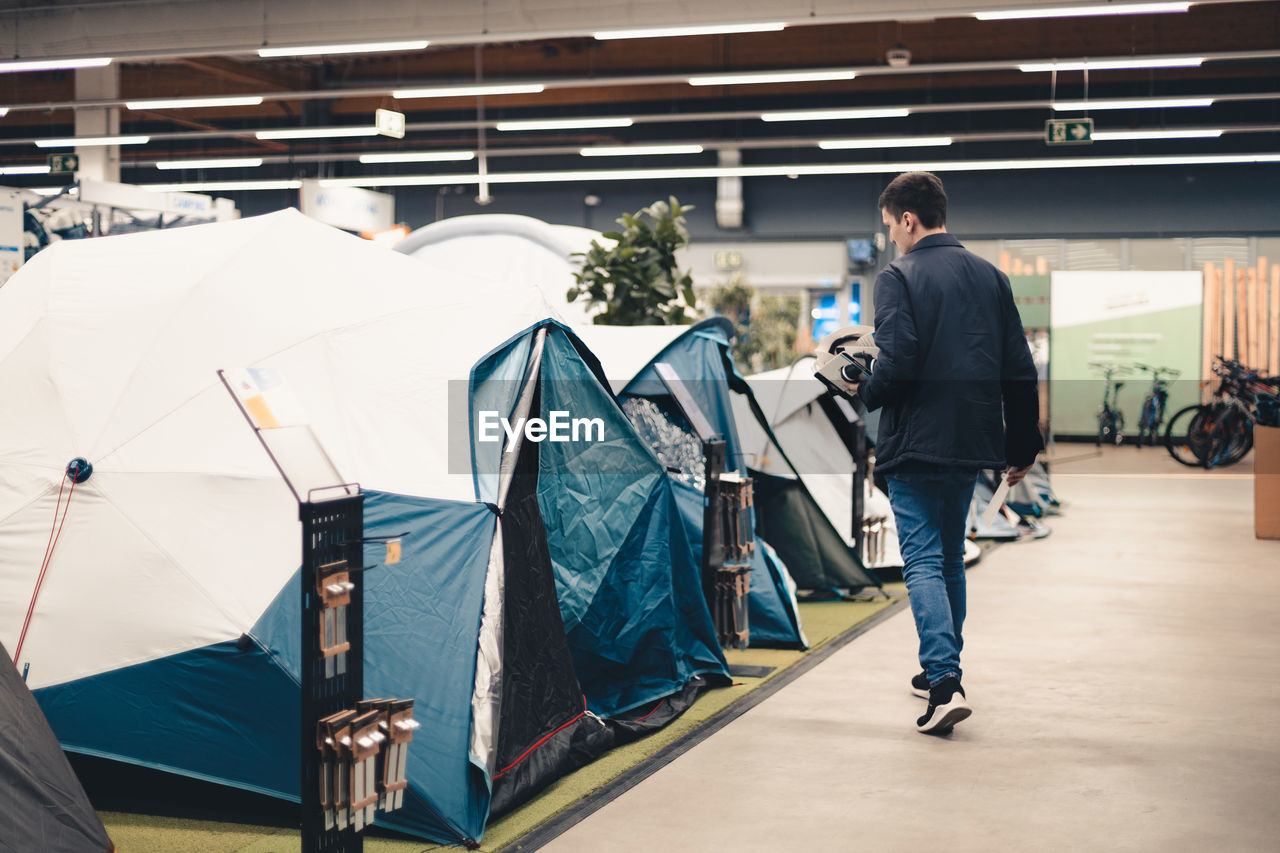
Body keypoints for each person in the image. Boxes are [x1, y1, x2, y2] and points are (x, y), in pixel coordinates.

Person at [849, 172, 1042, 735]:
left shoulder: (897, 277)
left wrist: (863, 386)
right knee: (951, 554)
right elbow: (1018, 369)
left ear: (907, 219)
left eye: (890, 227)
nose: (891, 238)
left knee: (923, 559)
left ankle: (943, 681)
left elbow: (900, 359)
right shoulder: (991, 277)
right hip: (972, 442)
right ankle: (943, 667)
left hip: (915, 442)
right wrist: (1022, 442)